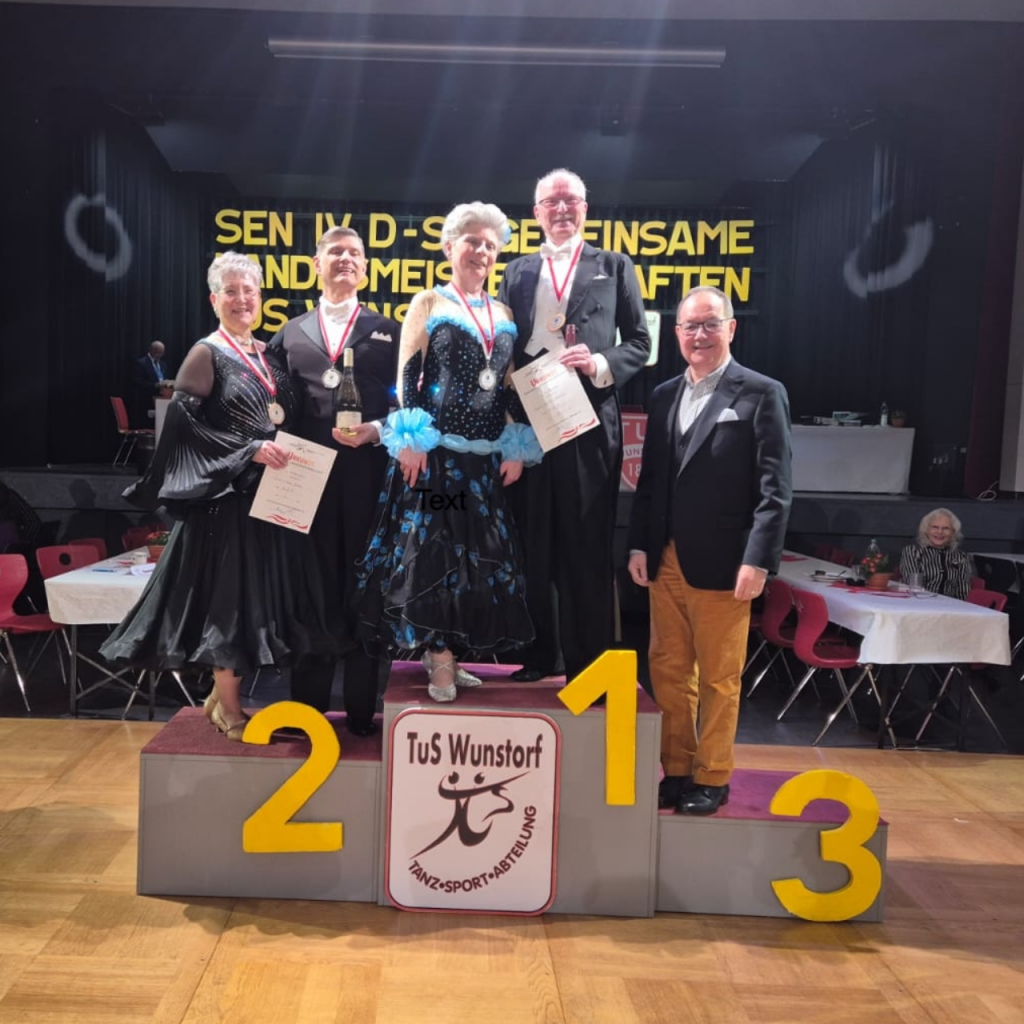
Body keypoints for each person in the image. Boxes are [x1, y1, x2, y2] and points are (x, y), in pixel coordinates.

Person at [100, 252, 342, 740]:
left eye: (249, 290)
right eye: (230, 291)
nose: (241, 299)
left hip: (271, 502)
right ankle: (229, 706)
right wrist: (248, 450)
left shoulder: (267, 355)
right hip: (225, 502)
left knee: (258, 602)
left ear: (260, 297)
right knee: (227, 604)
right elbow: (181, 428)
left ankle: (222, 696)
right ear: (214, 299)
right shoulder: (205, 353)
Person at [356, 202, 539, 701]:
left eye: (490, 245)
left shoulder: (502, 314)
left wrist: (516, 444)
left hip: (482, 463)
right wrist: (411, 441)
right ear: (449, 246)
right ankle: (437, 660)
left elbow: (504, 387)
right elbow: (407, 376)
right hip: (438, 462)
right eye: (472, 242)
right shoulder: (428, 303)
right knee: (435, 556)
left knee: (477, 560)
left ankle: (453, 652)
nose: (481, 251)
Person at [627, 286, 792, 816]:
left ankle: (713, 775)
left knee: (720, 677)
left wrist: (759, 559)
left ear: (731, 328)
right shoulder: (663, 394)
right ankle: (676, 769)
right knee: (668, 670)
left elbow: (776, 489)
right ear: (674, 335)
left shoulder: (761, 393)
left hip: (727, 561)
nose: (699, 335)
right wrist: (638, 544)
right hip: (665, 557)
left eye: (709, 324)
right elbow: (650, 480)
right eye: (689, 327)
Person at [498, 168, 650, 684]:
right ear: (536, 212)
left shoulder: (614, 265)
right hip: (530, 423)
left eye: (570, 201)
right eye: (550, 202)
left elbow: (641, 345)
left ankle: (588, 668)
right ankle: (540, 657)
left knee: (585, 547)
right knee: (533, 545)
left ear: (585, 207)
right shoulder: (515, 271)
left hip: (587, 423)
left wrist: (599, 362)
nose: (561, 209)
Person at [268, 227, 399, 736]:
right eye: (335, 253)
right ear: (316, 263)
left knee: (365, 586)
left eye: (355, 254)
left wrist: (378, 430)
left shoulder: (388, 330)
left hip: (367, 477)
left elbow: (408, 404)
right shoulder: (290, 333)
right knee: (312, 589)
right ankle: (307, 713)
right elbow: (272, 406)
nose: (345, 260)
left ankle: (365, 711)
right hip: (306, 482)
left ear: (366, 268)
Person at [899, 508, 972, 600]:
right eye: (935, 527)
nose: (940, 532)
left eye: (946, 528)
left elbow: (963, 590)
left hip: (949, 607)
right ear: (926, 530)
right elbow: (913, 585)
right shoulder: (913, 552)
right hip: (918, 604)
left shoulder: (960, 556)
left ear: (953, 532)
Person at [133, 341, 171, 421]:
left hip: (162, 398)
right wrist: (154, 385)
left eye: (162, 353)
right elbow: (137, 382)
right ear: (151, 350)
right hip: (148, 399)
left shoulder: (163, 364)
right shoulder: (142, 363)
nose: (160, 355)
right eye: (158, 352)